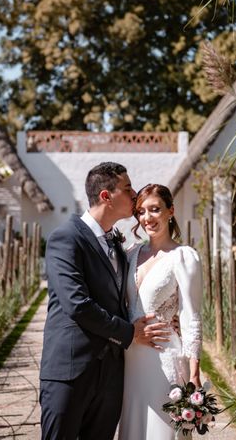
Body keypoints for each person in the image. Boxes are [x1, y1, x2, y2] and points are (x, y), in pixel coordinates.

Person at [39, 162, 171, 440]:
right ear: (105, 196)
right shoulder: (66, 238)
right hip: (70, 372)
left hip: (111, 376)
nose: (135, 194)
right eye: (128, 188)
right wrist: (129, 332)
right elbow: (77, 304)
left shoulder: (118, 245)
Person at [118, 184, 203, 440]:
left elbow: (191, 316)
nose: (147, 218)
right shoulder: (131, 253)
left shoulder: (183, 256)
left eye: (155, 209)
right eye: (141, 211)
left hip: (165, 356)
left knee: (161, 429)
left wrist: (195, 373)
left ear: (170, 211)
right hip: (130, 359)